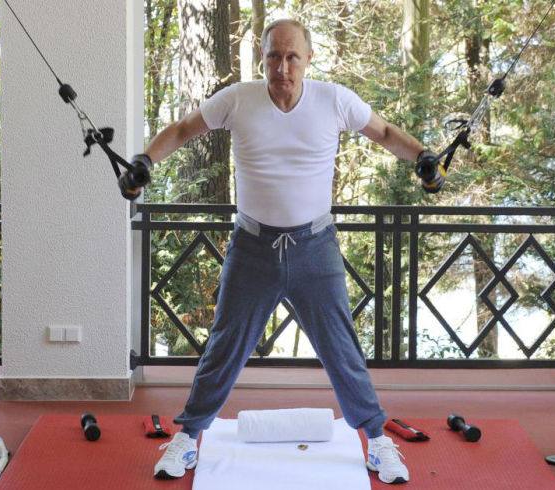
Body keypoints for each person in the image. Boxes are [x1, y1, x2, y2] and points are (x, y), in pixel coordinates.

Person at [144, 18, 438, 485]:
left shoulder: (334, 99)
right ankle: (188, 435)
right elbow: (182, 130)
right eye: (273, 57)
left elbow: (383, 133)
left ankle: (378, 440)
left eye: (292, 57)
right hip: (252, 247)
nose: (282, 68)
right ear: (262, 58)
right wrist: (143, 162)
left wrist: (424, 158)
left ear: (308, 57)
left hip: (315, 248)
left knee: (341, 349)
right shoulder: (239, 99)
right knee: (224, 346)